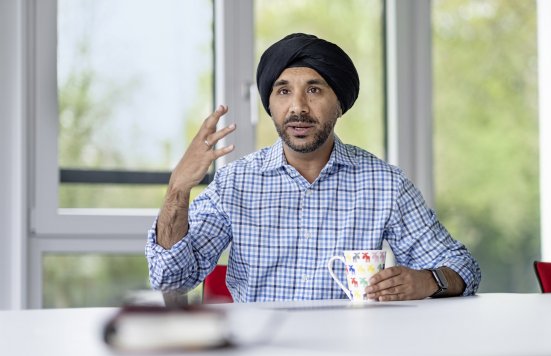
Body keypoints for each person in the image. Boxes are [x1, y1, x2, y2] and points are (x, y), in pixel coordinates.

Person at [145, 33, 481, 302]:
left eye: (315, 90)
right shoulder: (235, 182)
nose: (298, 108)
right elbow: (170, 279)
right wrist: (178, 190)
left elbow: (463, 267)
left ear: (339, 103)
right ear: (270, 103)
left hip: (353, 355)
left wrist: (428, 281)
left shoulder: (385, 184)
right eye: (283, 91)